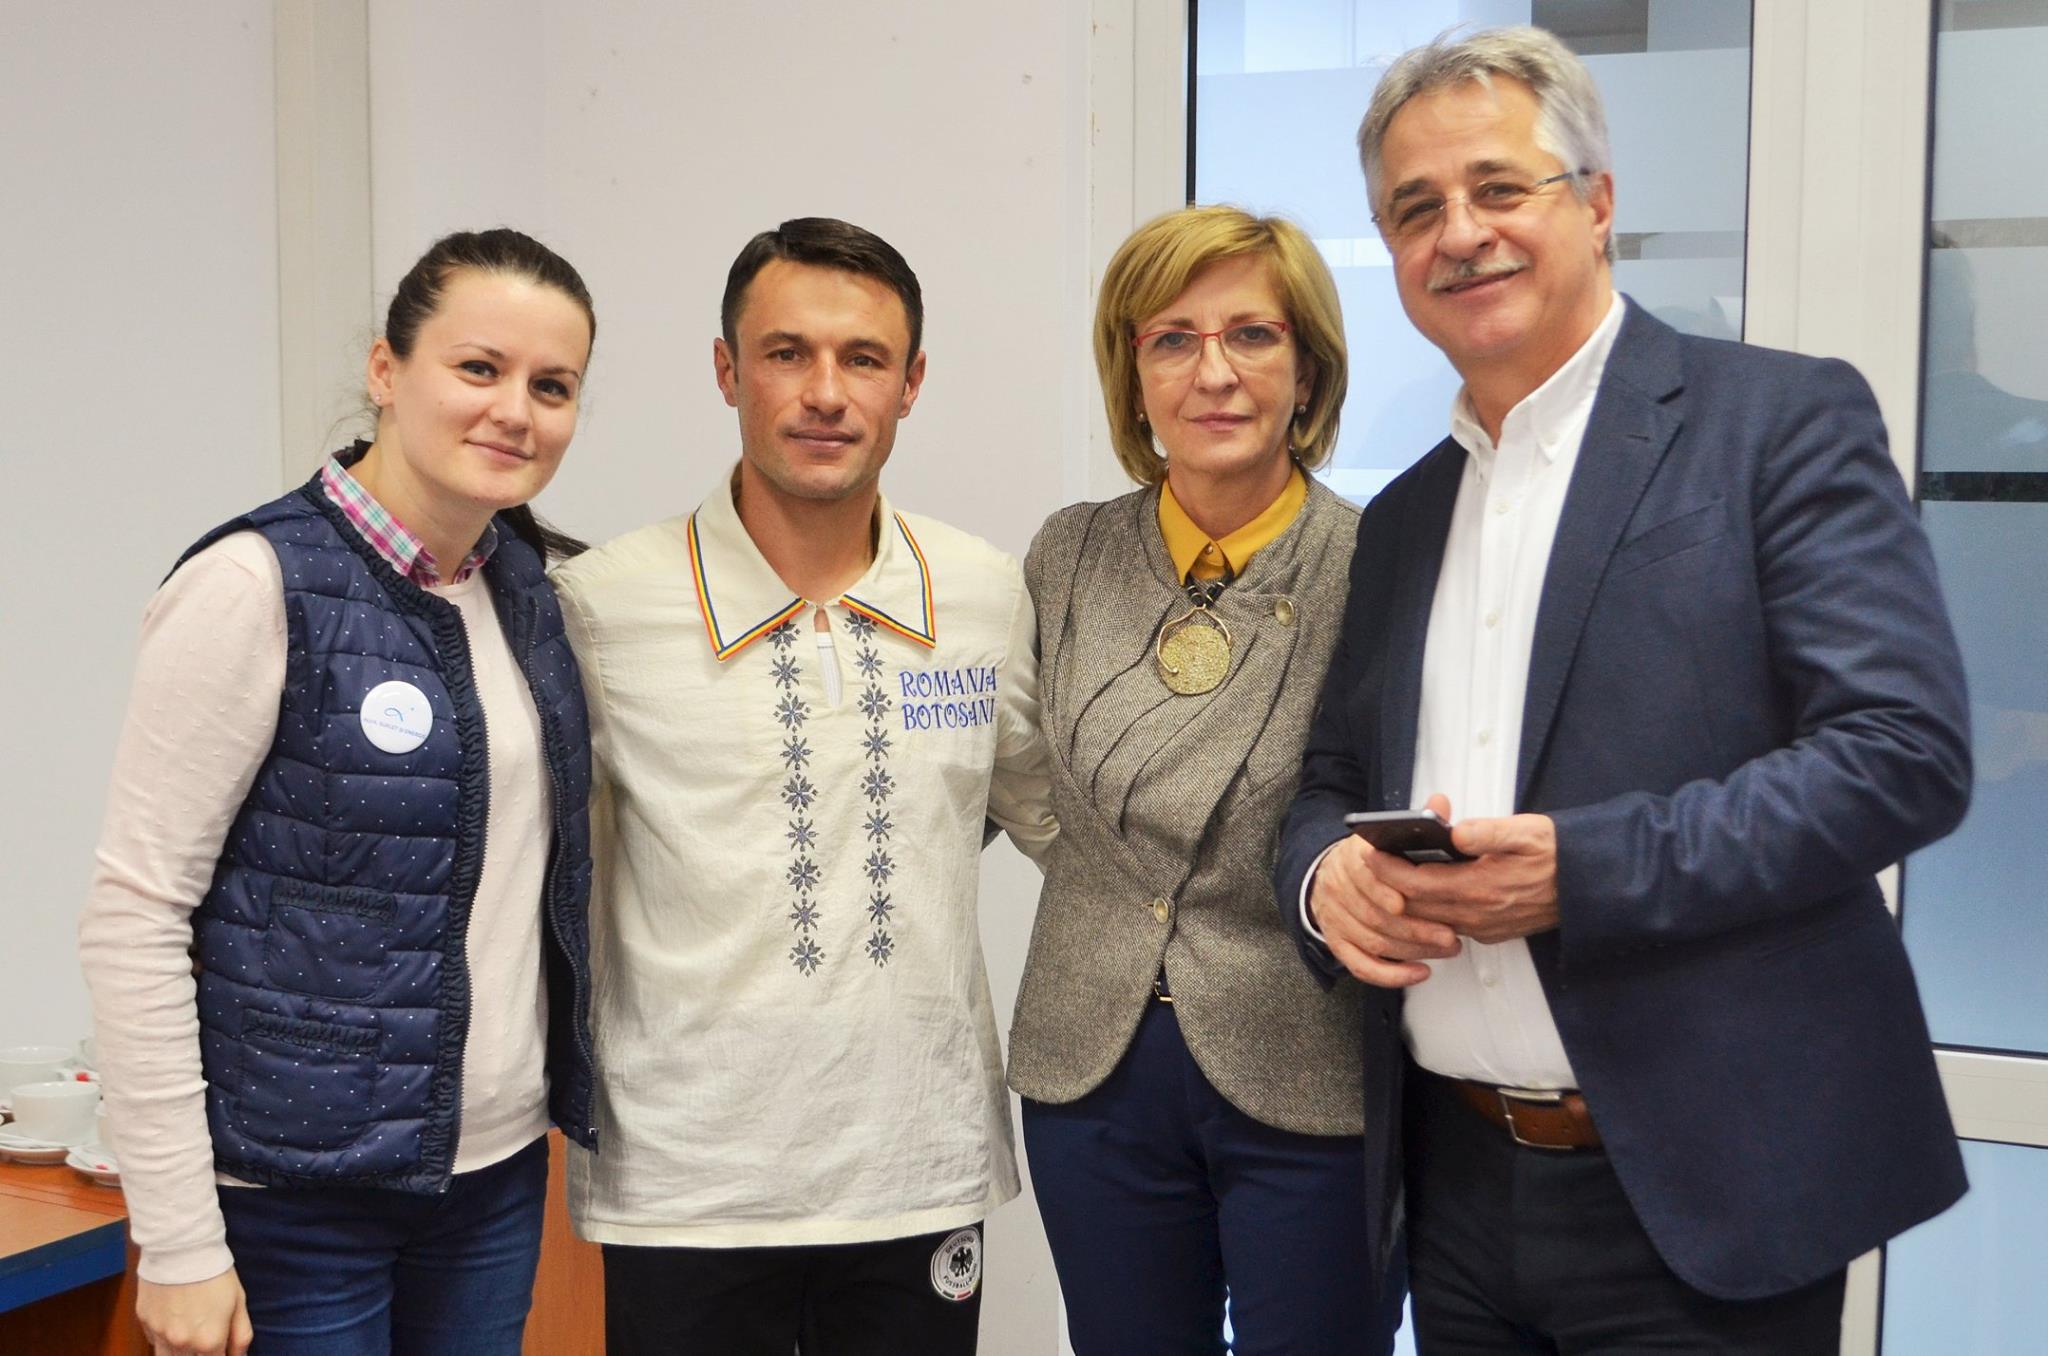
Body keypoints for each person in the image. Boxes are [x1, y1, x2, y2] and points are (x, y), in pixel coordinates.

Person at [1276, 26, 1973, 1354]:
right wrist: (1325, 880)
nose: (1459, 232)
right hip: (1455, 1187)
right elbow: (1325, 784)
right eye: (1415, 208)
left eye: (1500, 187)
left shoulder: (1775, 423)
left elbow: (1903, 752)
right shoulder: (1403, 516)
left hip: (1704, 1183)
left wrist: (1577, 872)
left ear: (1598, 203)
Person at [77, 228, 601, 1356]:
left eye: (551, 386)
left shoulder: (526, 593)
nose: (515, 409)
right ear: (384, 370)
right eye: (478, 368)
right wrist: (177, 1242)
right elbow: (134, 918)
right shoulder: (253, 584)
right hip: (293, 1196)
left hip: (490, 1179)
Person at [551, 216, 1054, 1356]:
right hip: (684, 1180)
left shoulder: (981, 592)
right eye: (786, 353)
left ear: (911, 383)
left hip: (915, 1166)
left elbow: (1056, 822)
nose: (825, 392)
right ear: (727, 370)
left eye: (863, 359)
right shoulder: (598, 604)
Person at [1006, 205, 1403, 1354]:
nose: (1212, 373)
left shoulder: (1377, 560)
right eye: (1170, 340)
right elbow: (1013, 772)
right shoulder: (1066, 552)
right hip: (1095, 1066)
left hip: (1306, 1061)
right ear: (1131, 377)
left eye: (1251, 336)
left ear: (1307, 368)